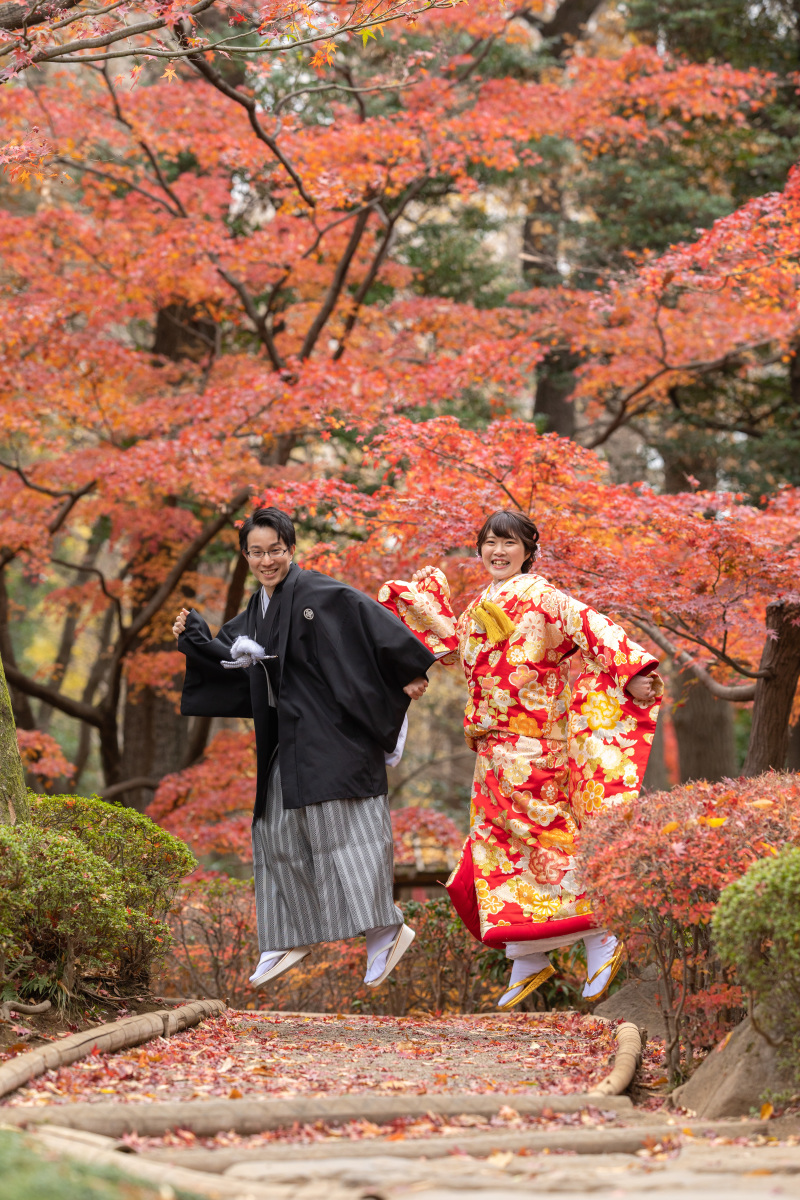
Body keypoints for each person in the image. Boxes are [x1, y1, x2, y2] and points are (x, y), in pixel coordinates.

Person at [378, 509, 662, 1008]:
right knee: (498, 850)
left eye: (509, 543)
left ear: (530, 550)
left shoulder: (545, 597)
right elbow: (449, 647)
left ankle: (601, 934)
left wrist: (631, 670)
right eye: (490, 542)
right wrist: (417, 617)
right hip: (490, 753)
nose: (498, 551)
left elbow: (591, 626)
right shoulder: (477, 608)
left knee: (549, 840)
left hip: (537, 748)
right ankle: (527, 956)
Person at [172, 506, 436, 990]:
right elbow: (226, 655)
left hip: (335, 734)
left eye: (275, 550)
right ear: (246, 556)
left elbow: (369, 619)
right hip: (290, 741)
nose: (267, 559)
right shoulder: (259, 607)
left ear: (291, 549)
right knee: (273, 830)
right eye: (257, 552)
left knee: (347, 835)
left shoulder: (317, 592)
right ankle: (285, 936)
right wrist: (192, 639)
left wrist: (410, 669)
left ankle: (384, 931)